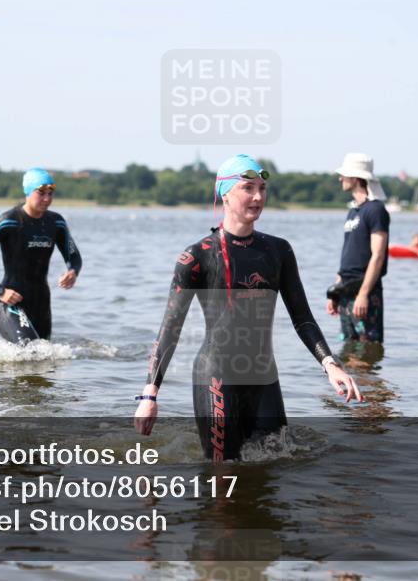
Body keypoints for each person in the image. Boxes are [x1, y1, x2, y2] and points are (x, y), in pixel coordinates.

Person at [134, 154, 363, 462]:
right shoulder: (196, 257)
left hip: (264, 379)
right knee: (223, 483)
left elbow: (303, 318)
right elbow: (170, 329)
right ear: (224, 194)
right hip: (215, 377)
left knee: (274, 474)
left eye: (262, 188)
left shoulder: (278, 251)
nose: (258, 197)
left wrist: (330, 365)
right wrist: (150, 394)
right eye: (248, 188)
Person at [0, 168, 82, 342]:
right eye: (41, 193)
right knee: (30, 351)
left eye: (50, 193)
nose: (47, 199)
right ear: (28, 192)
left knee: (44, 357)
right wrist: (0, 291)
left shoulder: (56, 222)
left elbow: (74, 256)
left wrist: (72, 271)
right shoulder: (8, 220)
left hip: (41, 303)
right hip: (11, 302)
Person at [327, 153, 389, 347]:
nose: (340, 178)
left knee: (367, 348)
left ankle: (368, 379)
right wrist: (335, 292)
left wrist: (363, 294)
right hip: (345, 291)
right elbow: (348, 255)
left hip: (365, 292)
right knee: (348, 349)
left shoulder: (376, 210)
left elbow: (377, 255)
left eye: (343, 175)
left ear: (355, 178)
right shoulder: (353, 211)